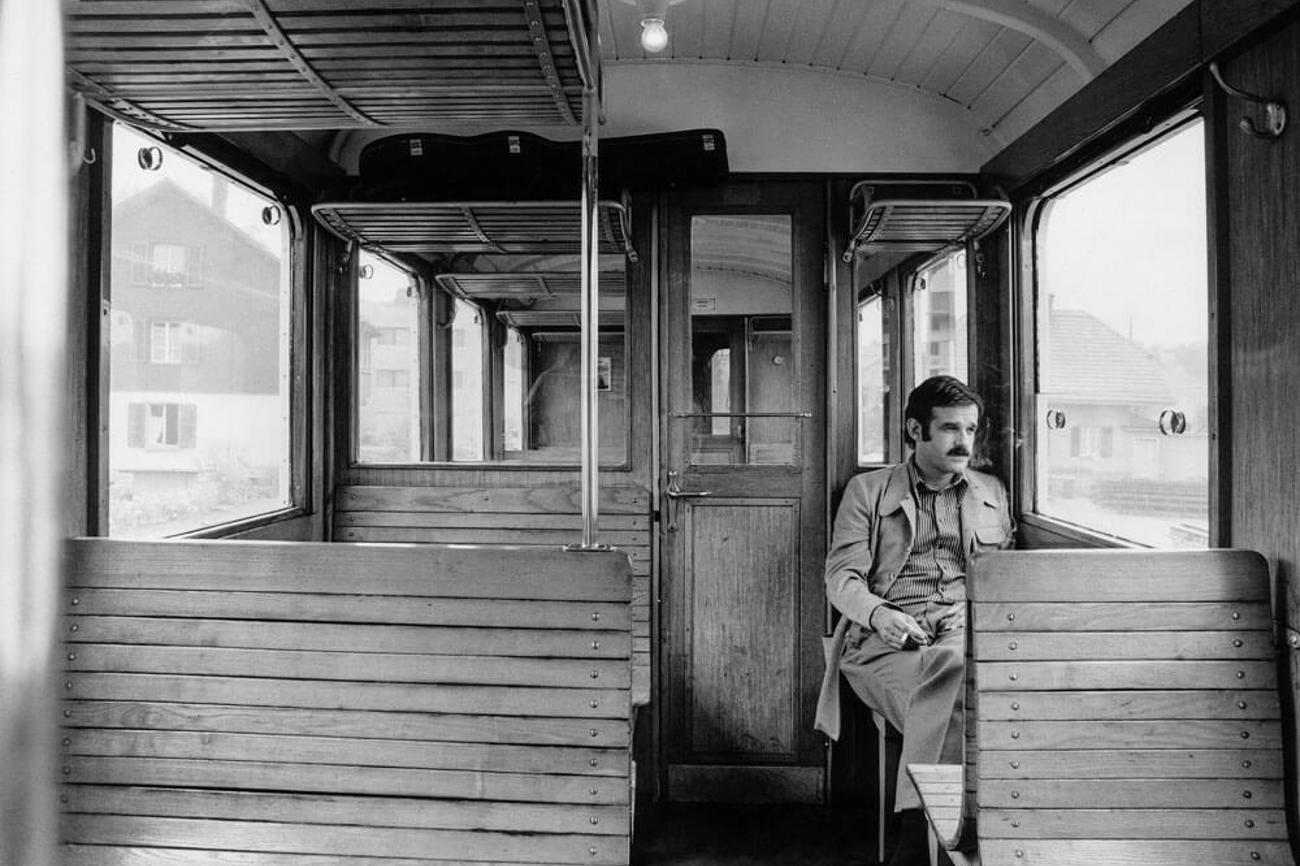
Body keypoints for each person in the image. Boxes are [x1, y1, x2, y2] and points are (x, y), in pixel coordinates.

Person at [814, 376, 1014, 866]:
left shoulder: (991, 492)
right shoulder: (868, 491)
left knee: (952, 673)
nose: (964, 442)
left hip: (964, 629)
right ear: (914, 430)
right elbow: (841, 578)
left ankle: (915, 829)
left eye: (970, 429)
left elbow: (1008, 577)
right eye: (949, 429)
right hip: (883, 638)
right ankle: (943, 839)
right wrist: (880, 614)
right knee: (955, 691)